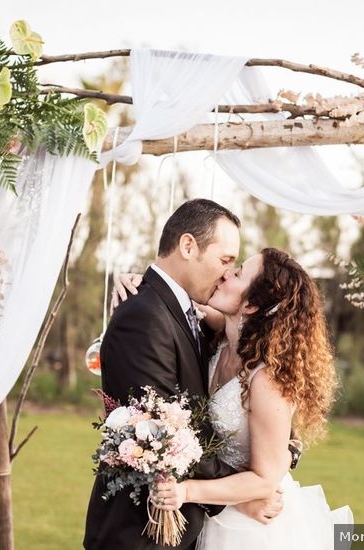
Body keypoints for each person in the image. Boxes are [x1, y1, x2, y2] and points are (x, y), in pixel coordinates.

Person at [114, 247, 353, 549]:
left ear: (251, 305)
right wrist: (137, 284)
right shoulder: (222, 335)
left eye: (238, 273)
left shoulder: (267, 379)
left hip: (252, 530)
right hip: (220, 511)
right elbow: (171, 300)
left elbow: (265, 480)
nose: (226, 273)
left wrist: (187, 492)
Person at [83, 199, 285, 550]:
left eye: (235, 268)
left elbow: (267, 412)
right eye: (225, 261)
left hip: (184, 527)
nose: (227, 273)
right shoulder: (143, 317)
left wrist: (284, 455)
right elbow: (170, 436)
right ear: (188, 246)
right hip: (142, 533)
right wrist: (242, 493)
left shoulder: (197, 318)